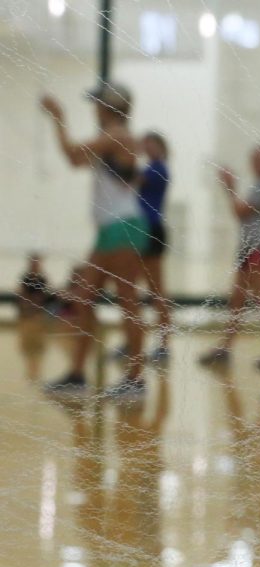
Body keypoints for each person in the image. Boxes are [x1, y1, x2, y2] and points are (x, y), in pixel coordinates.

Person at [39, 82, 149, 399]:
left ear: (109, 107)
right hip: (112, 229)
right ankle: (77, 375)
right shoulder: (114, 138)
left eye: (97, 104)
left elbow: (73, 155)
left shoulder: (118, 135)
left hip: (122, 228)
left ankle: (135, 379)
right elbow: (78, 161)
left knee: (125, 302)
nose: (93, 108)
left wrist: (58, 117)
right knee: (86, 300)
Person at [199, 143, 260, 366]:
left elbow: (240, 212)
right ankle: (225, 348)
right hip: (249, 250)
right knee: (237, 301)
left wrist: (230, 188)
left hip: (258, 250)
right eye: (253, 158)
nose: (254, 162)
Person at [136, 131, 172, 363]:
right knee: (133, 288)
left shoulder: (159, 169)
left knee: (157, 291)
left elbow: (130, 178)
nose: (147, 147)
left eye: (151, 144)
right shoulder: (149, 168)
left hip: (152, 231)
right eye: (145, 144)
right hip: (140, 231)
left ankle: (164, 345)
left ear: (161, 147)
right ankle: (133, 340)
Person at [17, 253, 52, 381]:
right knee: (28, 344)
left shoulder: (42, 278)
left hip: (38, 314)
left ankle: (35, 370)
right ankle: (32, 370)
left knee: (37, 345)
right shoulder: (25, 278)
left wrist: (35, 305)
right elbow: (22, 294)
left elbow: (44, 295)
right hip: (27, 314)